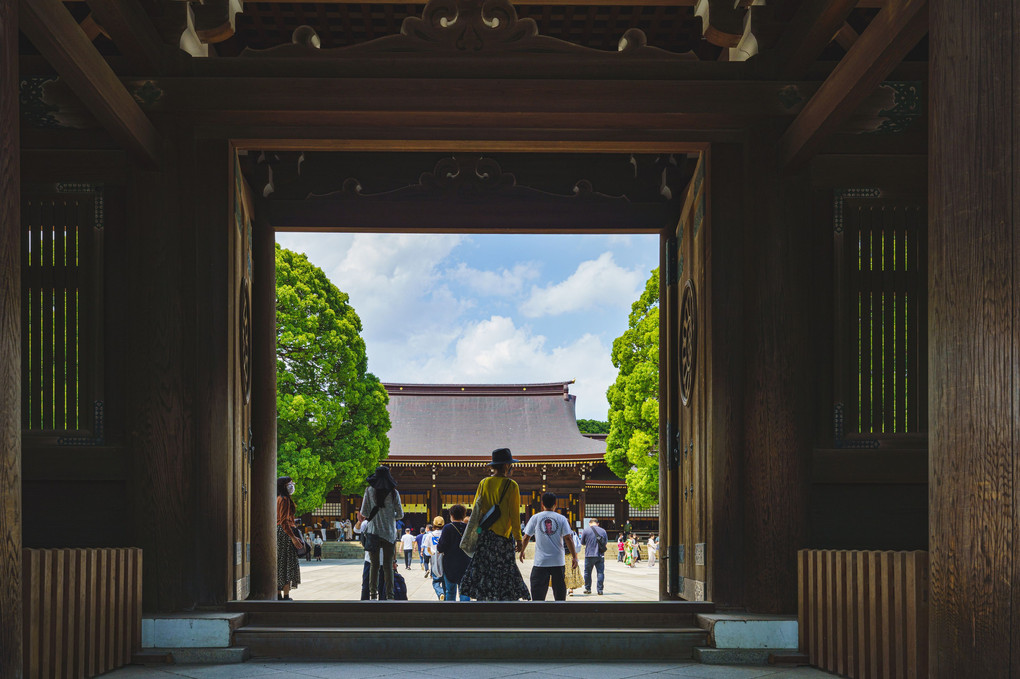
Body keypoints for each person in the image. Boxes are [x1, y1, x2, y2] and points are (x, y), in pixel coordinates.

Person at [459, 448, 531, 601]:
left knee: (484, 570)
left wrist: (476, 531)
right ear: (506, 466)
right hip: (503, 538)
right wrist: (518, 538)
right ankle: (504, 598)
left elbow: (477, 510)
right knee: (504, 570)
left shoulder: (484, 483)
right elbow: (514, 515)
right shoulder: (512, 486)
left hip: (485, 536)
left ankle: (484, 597)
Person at [520, 492, 577, 601]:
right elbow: (568, 538)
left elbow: (526, 537)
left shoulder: (535, 517)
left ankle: (539, 614)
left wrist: (522, 551)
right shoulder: (561, 518)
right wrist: (574, 556)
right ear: (555, 504)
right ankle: (558, 614)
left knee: (537, 594)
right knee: (559, 592)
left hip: (541, 561)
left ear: (542, 504)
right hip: (558, 561)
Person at [360, 465, 404, 600]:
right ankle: (389, 595)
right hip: (389, 534)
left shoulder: (369, 491)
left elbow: (365, 513)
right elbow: (400, 514)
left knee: (373, 566)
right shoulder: (393, 492)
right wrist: (391, 515)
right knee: (388, 566)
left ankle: (373, 594)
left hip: (373, 532)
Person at [436, 503, 471, 601]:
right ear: (463, 515)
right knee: (464, 591)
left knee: (450, 591)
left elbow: (441, 547)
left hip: (450, 563)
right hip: (465, 562)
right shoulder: (467, 527)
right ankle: (465, 613)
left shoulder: (447, 528)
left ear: (451, 515)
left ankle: (451, 612)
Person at [276, 476, 302, 600]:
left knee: (279, 563)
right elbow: (284, 521)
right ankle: (286, 594)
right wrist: (293, 537)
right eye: (289, 483)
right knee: (286, 563)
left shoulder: (278, 498)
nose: (292, 485)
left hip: (278, 532)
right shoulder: (285, 499)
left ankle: (278, 593)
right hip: (285, 533)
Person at [580, 518, 608, 595]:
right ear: (597, 523)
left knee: (587, 573)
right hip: (600, 555)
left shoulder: (586, 530)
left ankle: (588, 588)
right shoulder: (603, 531)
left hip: (589, 554)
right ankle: (600, 590)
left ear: (590, 523)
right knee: (600, 572)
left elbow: (582, 542)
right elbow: (605, 543)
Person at [423, 517, 445, 598]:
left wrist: (433, 554)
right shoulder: (445, 533)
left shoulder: (430, 535)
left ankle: (440, 593)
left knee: (436, 581)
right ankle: (445, 598)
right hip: (444, 559)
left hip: (435, 560)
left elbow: (428, 549)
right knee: (444, 581)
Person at [565, 529, 584, 595]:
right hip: (571, 554)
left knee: (563, 572)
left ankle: (564, 588)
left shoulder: (558, 532)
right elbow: (576, 545)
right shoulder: (572, 533)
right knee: (571, 571)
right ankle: (571, 589)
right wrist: (575, 556)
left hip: (561, 555)